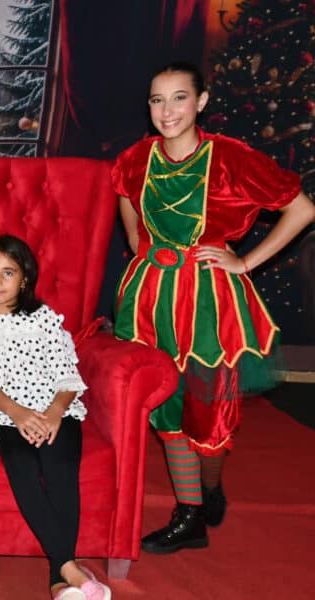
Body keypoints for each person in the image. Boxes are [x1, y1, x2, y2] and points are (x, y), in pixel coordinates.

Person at [112, 62, 315, 553]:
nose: (167, 111)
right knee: (164, 405)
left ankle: (210, 488)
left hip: (207, 303)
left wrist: (244, 262)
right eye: (157, 100)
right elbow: (128, 203)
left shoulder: (231, 158)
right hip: (150, 299)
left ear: (201, 101)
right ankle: (190, 515)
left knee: (209, 411)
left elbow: (302, 209)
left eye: (179, 97)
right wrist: (143, 250)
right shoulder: (135, 158)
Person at [0, 235, 111, 600]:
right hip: (7, 414)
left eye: (8, 273)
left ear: (24, 279)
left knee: (59, 469)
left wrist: (55, 412)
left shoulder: (43, 319)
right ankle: (71, 571)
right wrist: (18, 413)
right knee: (23, 469)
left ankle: (59, 582)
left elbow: (67, 375)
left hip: (56, 410)